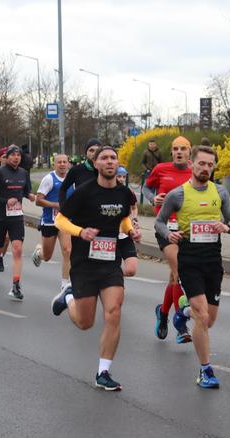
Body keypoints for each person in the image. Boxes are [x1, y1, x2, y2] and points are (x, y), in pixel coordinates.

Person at [51, 146, 141, 391]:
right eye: (104, 158)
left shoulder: (124, 193)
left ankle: (103, 372)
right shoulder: (84, 192)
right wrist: (81, 232)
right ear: (97, 164)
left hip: (110, 263)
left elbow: (122, 218)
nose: (110, 162)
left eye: (113, 158)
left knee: (113, 311)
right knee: (85, 323)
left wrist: (129, 230)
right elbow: (60, 219)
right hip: (84, 264)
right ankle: (68, 297)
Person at [155, 145, 230, 389]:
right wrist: (169, 235)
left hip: (213, 261)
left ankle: (181, 315)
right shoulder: (178, 195)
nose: (206, 168)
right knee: (203, 316)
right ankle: (205, 371)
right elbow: (159, 222)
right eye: (201, 164)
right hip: (189, 260)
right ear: (192, 164)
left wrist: (229, 229)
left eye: (210, 164)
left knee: (208, 320)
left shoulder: (220, 192)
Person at [143, 136, 193, 342]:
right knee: (179, 269)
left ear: (190, 152)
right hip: (165, 228)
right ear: (171, 152)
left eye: (183, 148)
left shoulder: (196, 171)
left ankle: (163, 313)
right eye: (175, 149)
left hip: (188, 231)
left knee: (174, 277)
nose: (179, 152)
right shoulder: (161, 169)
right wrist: (152, 198)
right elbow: (146, 188)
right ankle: (180, 325)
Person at [0, 145, 36, 300]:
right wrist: (6, 201)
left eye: (18, 155)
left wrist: (30, 196)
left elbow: (26, 190)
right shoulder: (0, 173)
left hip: (16, 217)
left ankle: (15, 285)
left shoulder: (23, 173)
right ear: (7, 157)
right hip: (0, 216)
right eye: (13, 155)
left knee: (17, 249)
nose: (16, 157)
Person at [31, 153, 73, 293]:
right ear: (54, 164)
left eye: (64, 162)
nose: (62, 164)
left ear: (68, 164)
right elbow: (38, 200)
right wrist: (55, 205)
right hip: (49, 221)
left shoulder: (72, 180)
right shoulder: (49, 179)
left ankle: (64, 283)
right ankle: (39, 251)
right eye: (59, 162)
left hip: (65, 221)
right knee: (47, 256)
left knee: (67, 250)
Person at [58, 138, 100, 207]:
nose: (94, 153)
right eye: (91, 150)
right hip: (81, 214)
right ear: (86, 153)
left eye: (97, 150)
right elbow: (62, 189)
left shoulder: (106, 170)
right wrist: (64, 208)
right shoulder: (76, 170)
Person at [115, 166, 139, 277]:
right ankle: (111, 283)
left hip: (125, 235)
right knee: (110, 267)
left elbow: (134, 207)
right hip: (110, 237)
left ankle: (112, 277)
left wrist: (134, 219)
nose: (121, 179)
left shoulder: (128, 192)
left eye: (123, 177)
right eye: (118, 176)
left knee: (131, 270)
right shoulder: (104, 192)